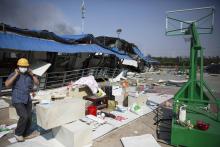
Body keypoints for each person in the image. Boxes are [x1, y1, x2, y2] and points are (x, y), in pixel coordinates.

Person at [5, 58, 39, 142]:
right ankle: (18, 133)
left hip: (27, 99)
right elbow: (7, 85)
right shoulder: (14, 74)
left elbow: (37, 83)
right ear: (18, 66)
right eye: (21, 66)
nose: (23, 67)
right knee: (24, 116)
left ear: (28, 67)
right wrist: (16, 75)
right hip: (17, 99)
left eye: (25, 66)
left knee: (29, 117)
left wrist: (32, 75)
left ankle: (26, 133)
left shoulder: (29, 75)